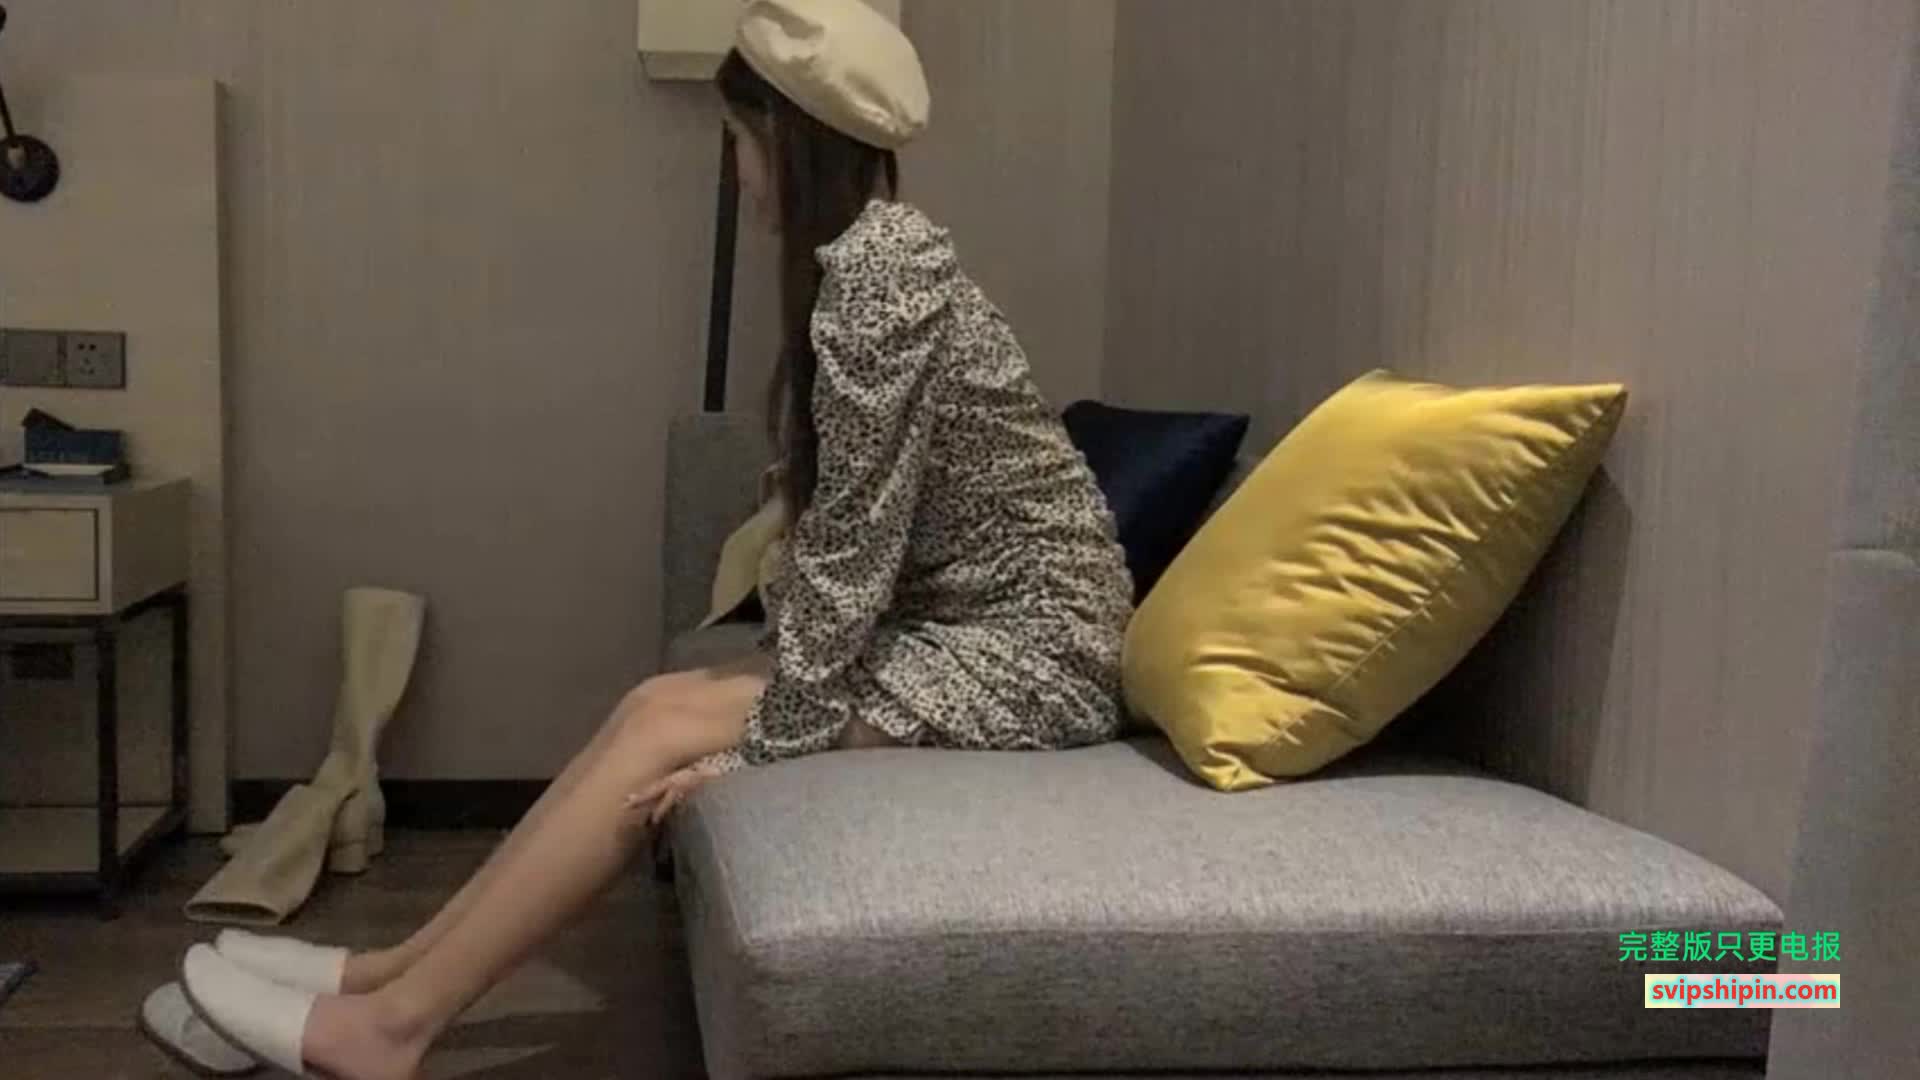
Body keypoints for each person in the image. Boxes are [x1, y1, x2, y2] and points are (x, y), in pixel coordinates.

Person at [171, 1, 1132, 1076]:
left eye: (739, 141)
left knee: (665, 730)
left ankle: (389, 1031)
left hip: (1036, 654)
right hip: (975, 627)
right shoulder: (873, 258)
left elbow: (853, 551)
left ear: (784, 138)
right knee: (652, 706)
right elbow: (857, 534)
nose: (738, 172)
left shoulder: (880, 280)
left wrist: (749, 756)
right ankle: (388, 973)